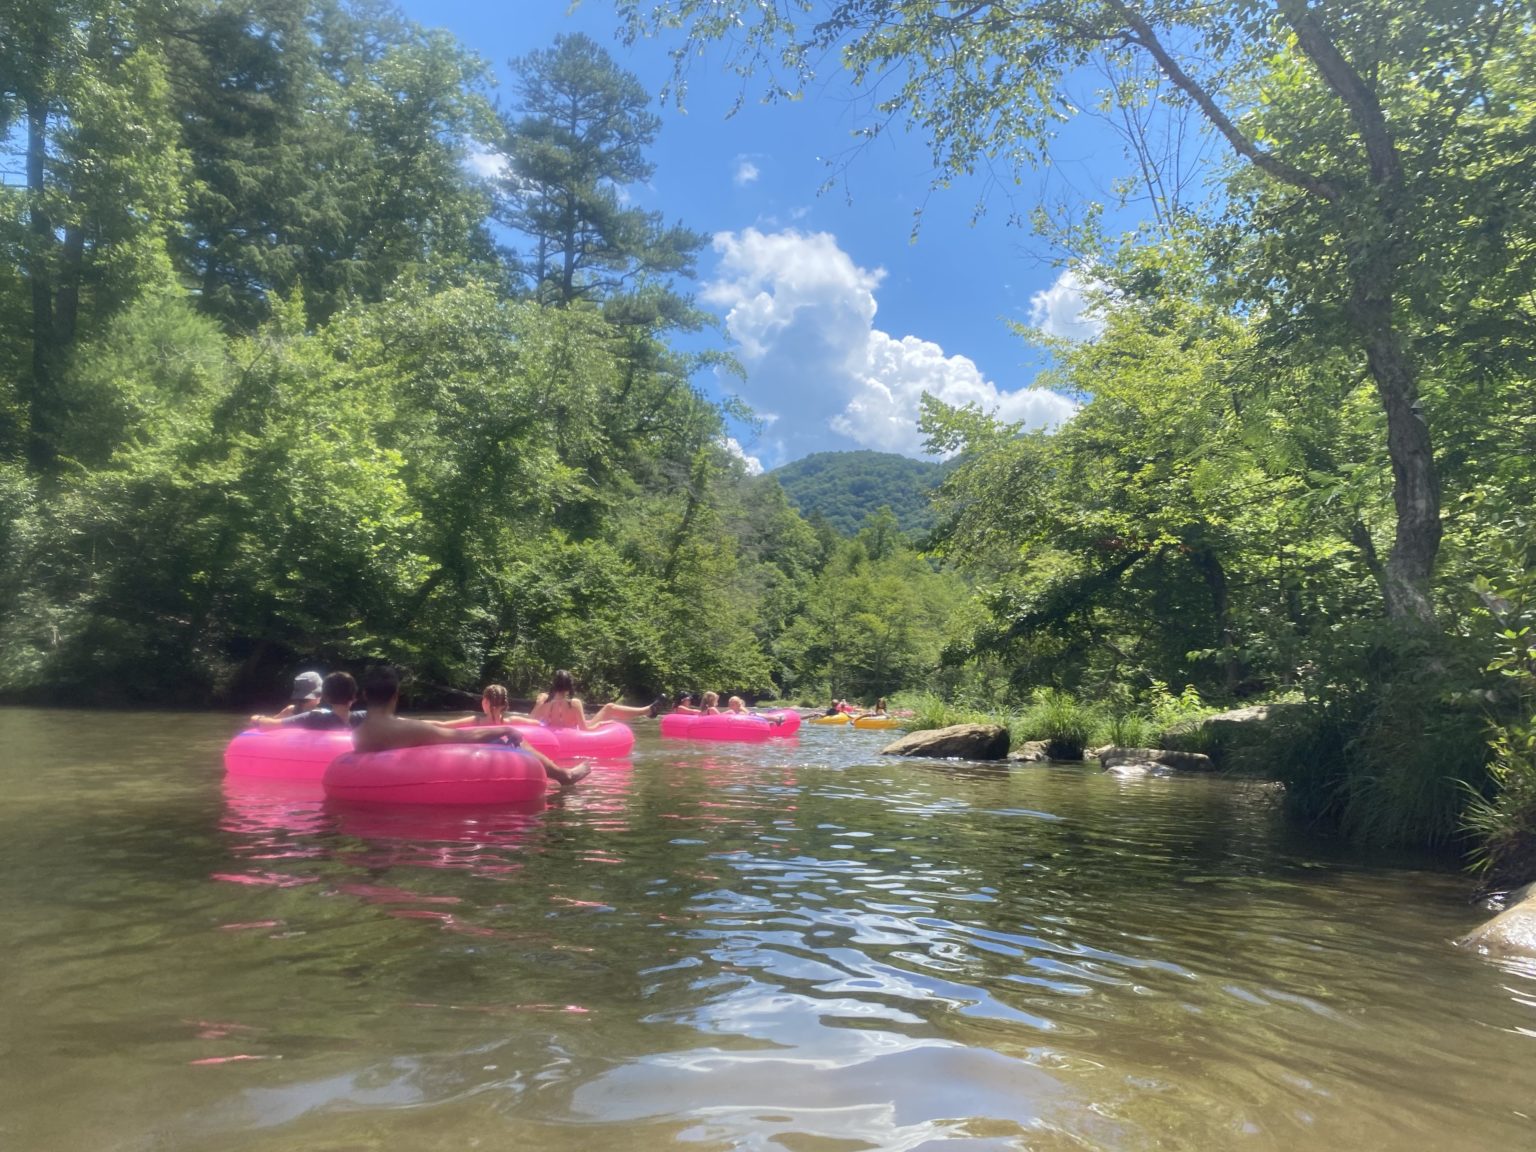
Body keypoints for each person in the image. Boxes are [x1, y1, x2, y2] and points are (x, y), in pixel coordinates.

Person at [354, 666, 588, 787]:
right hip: (419, 774)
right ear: (396, 695)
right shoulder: (402, 728)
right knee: (509, 737)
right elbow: (458, 737)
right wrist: (504, 730)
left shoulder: (359, 732)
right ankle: (563, 775)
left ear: (364, 695)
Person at [532, 669, 660, 729]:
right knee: (610, 707)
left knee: (609, 707)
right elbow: (584, 729)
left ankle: (647, 710)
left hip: (551, 730)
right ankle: (647, 710)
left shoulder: (543, 699)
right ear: (569, 686)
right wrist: (600, 724)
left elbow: (531, 720)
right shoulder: (574, 703)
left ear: (554, 684)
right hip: (573, 731)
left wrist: (539, 704)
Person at [252, 671, 364, 729]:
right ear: (355, 697)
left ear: (325, 696)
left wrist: (257, 718)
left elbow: (269, 724)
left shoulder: (313, 718)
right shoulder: (364, 717)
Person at [438, 684, 532, 728]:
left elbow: (444, 725)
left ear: (485, 701)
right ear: (504, 704)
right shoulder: (513, 721)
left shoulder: (475, 721)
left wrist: (423, 723)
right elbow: (540, 723)